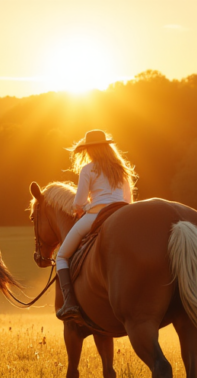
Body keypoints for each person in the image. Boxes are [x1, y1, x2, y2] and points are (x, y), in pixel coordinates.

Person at [56, 129, 135, 322]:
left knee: (61, 256)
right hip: (122, 216)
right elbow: (128, 199)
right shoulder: (121, 168)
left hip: (95, 217)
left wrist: (83, 208)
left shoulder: (88, 169)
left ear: (89, 150)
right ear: (108, 147)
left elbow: (78, 203)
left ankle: (70, 303)